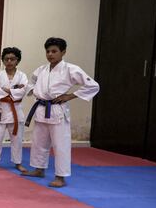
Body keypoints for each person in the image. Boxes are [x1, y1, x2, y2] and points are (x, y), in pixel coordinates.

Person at [21, 37, 100, 187]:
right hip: (41, 108)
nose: (50, 54)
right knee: (39, 142)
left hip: (57, 110)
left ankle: (60, 176)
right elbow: (31, 83)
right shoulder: (41, 69)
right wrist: (33, 90)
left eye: (54, 51)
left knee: (60, 145)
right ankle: (39, 169)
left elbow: (93, 86)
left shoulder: (71, 69)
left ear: (63, 52)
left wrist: (70, 95)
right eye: (48, 51)